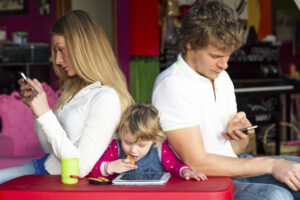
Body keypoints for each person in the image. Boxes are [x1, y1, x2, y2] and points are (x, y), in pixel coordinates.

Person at [152, 0, 300, 199]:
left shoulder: (222, 78)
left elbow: (235, 151)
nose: (225, 64)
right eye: (216, 56)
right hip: (201, 181)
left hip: (231, 170)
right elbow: (197, 162)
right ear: (190, 44)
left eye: (228, 55)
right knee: (276, 196)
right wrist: (272, 164)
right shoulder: (172, 84)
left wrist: (240, 135)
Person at [0, 10, 133, 184]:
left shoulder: (106, 98)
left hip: (58, 178)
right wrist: (38, 111)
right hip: (44, 167)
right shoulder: (77, 91)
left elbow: (79, 168)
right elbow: (49, 148)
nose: (58, 60)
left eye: (61, 50)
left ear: (82, 49)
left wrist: (46, 114)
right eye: (56, 51)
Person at [89, 103, 207, 181]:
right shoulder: (116, 147)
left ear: (154, 140)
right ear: (120, 135)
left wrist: (186, 172)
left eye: (142, 145)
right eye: (128, 143)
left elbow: (175, 166)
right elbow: (91, 170)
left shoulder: (160, 149)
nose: (133, 150)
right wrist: (110, 166)